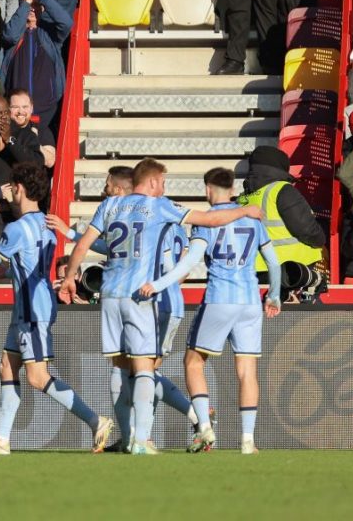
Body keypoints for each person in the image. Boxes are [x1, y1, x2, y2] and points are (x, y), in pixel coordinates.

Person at [63, 157, 262, 455]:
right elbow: (209, 222)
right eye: (164, 182)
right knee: (143, 368)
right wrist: (246, 209)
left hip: (111, 296)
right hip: (145, 296)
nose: (165, 187)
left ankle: (137, 435)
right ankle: (143, 438)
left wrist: (68, 278)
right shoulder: (161, 207)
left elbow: (83, 246)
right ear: (154, 182)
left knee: (122, 370)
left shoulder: (110, 206)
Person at [0, 162, 113, 454]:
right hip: (28, 305)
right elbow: (26, 264)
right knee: (7, 366)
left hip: (33, 307)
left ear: (19, 188)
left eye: (13, 186)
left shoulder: (17, 228)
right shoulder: (47, 222)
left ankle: (96, 421)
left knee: (36, 376)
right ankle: (1, 440)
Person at [140, 167, 282, 455]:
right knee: (247, 370)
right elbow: (274, 263)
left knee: (193, 361)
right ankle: (247, 441)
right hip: (250, 301)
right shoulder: (253, 220)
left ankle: (205, 427)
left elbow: (189, 261)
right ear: (232, 189)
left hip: (220, 297)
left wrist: (159, 284)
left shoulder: (206, 222)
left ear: (207, 190)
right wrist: (274, 296)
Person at [239, 145, 327, 290]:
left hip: (254, 270)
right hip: (290, 271)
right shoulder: (282, 190)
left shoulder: (243, 198)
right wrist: (320, 240)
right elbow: (307, 230)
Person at [2, 0, 72, 131]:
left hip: (46, 109)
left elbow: (66, 23)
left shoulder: (50, 34)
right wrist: (26, 3)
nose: (32, 9)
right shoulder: (15, 32)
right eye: (29, 5)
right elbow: (10, 35)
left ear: (43, 7)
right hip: (17, 110)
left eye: (36, 4)